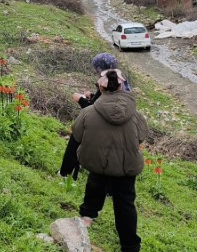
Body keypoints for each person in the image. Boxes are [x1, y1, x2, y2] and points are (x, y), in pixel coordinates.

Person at [61, 70, 149, 252]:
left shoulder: (88, 112)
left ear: (101, 87)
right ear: (122, 86)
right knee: (125, 203)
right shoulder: (136, 115)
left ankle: (87, 217)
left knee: (95, 184)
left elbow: (77, 134)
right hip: (126, 168)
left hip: (96, 163)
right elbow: (141, 137)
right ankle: (130, 245)